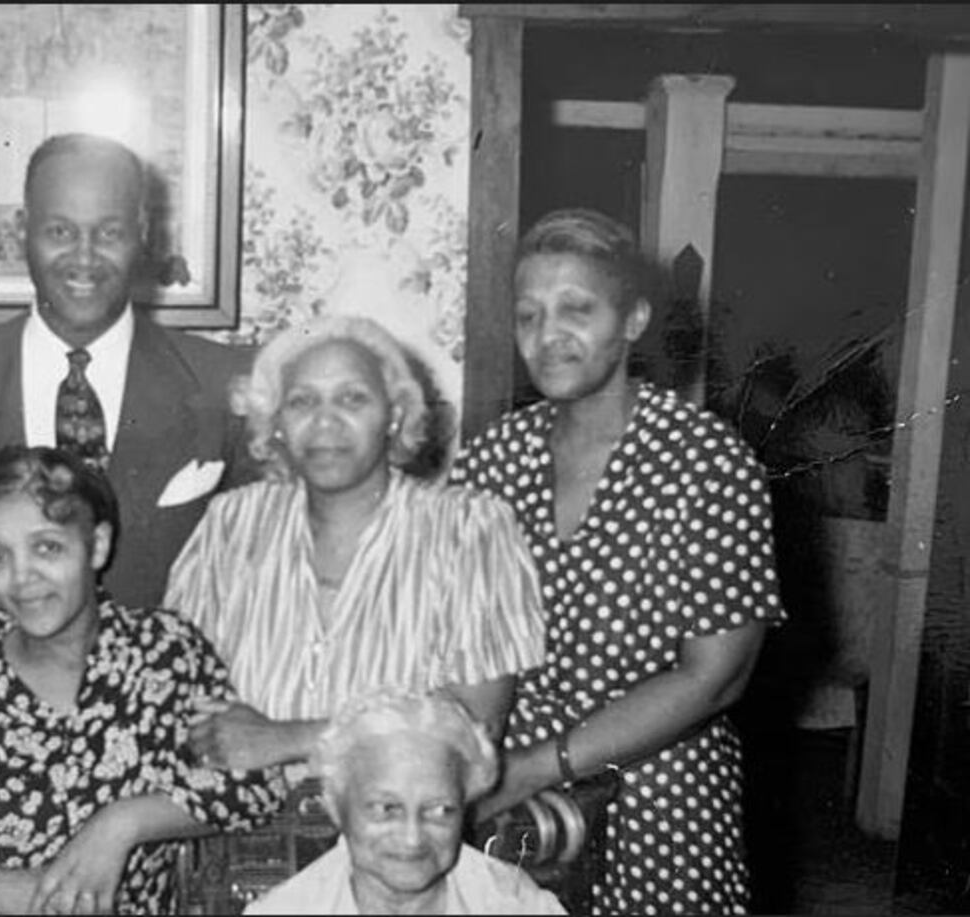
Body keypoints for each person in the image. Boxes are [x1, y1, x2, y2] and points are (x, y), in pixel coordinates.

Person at [450, 208, 785, 914]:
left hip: (660, 801)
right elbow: (479, 649)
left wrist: (533, 768)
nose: (548, 336)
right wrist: (471, 767)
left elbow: (714, 676)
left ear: (633, 319)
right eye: (529, 315)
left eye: (577, 309)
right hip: (516, 812)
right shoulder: (491, 460)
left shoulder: (709, 463)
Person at [0, 446, 286, 914]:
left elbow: (254, 785)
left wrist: (123, 823)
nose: (22, 578)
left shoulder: (165, 652)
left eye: (47, 548)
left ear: (97, 546)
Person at [0, 132, 251, 608]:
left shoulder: (225, 384)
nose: (84, 256)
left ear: (143, 233)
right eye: (60, 231)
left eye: (109, 232)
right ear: (21, 230)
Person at [164, 314, 546, 774]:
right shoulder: (232, 524)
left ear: (394, 415)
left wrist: (291, 739)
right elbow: (181, 694)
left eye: (352, 399)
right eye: (302, 401)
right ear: (276, 422)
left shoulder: (470, 529)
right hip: (243, 827)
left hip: (398, 833)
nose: (326, 422)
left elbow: (474, 728)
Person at [246, 688, 565, 915]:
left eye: (439, 811)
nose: (412, 838)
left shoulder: (514, 904)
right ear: (335, 807)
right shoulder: (286, 910)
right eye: (386, 809)